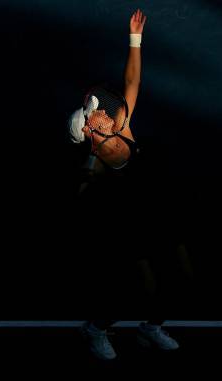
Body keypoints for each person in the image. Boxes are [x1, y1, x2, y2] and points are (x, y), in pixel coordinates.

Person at [68, 9, 193, 361]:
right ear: (90, 132)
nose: (104, 110)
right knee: (140, 289)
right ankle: (95, 329)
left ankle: (149, 329)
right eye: (95, 112)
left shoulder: (122, 125)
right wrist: (90, 182)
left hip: (158, 206)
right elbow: (85, 198)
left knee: (184, 277)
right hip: (131, 222)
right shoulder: (96, 164)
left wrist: (134, 39)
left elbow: (132, 82)